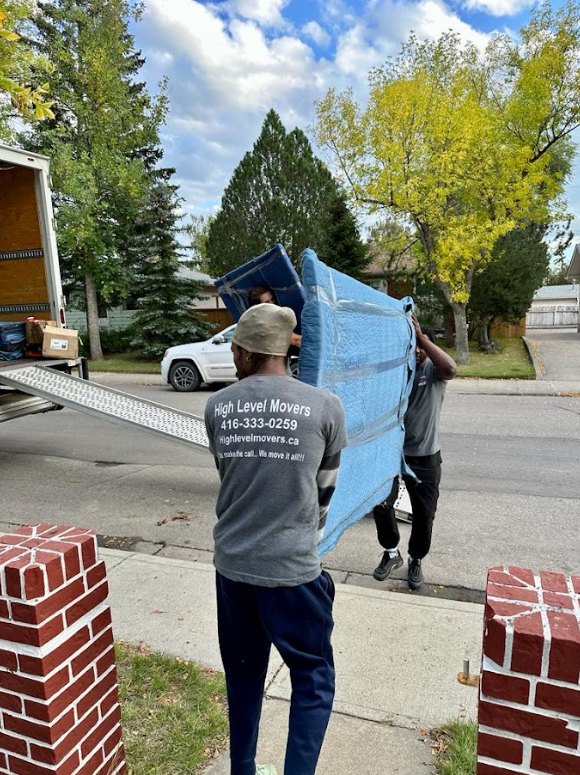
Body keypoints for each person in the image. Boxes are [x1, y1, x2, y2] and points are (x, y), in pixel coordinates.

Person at [204, 303, 347, 775]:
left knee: (242, 676)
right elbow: (324, 493)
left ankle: (242, 768)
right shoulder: (326, 407)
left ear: (247, 351)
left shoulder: (218, 406)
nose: (232, 354)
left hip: (233, 570)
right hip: (293, 574)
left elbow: (231, 476)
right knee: (312, 678)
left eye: (235, 347)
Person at [372, 313, 457, 590]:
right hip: (391, 455)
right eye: (412, 345)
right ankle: (391, 553)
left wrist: (421, 337)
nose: (417, 351)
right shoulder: (397, 373)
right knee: (381, 504)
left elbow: (451, 369)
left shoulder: (434, 372)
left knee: (424, 513)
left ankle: (416, 558)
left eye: (422, 346)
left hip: (425, 456)